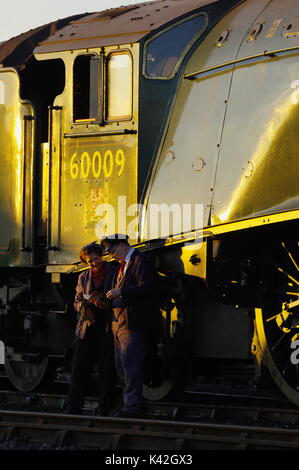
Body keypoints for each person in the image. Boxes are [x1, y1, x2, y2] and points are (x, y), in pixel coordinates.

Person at [101, 234, 161, 418]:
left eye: (111, 251)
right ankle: (129, 403)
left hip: (132, 320)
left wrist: (122, 291)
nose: (110, 255)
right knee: (122, 364)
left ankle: (132, 406)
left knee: (130, 363)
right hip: (119, 319)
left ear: (121, 246)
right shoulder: (123, 265)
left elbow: (149, 286)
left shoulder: (139, 260)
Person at [65, 242, 118, 415]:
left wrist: (105, 301)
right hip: (87, 325)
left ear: (101, 256)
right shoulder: (83, 277)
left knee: (107, 368)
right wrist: (84, 304)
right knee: (79, 367)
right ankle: (74, 406)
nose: (94, 263)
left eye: (95, 259)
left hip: (107, 325)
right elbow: (77, 300)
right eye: (90, 261)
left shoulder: (113, 271)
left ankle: (105, 407)